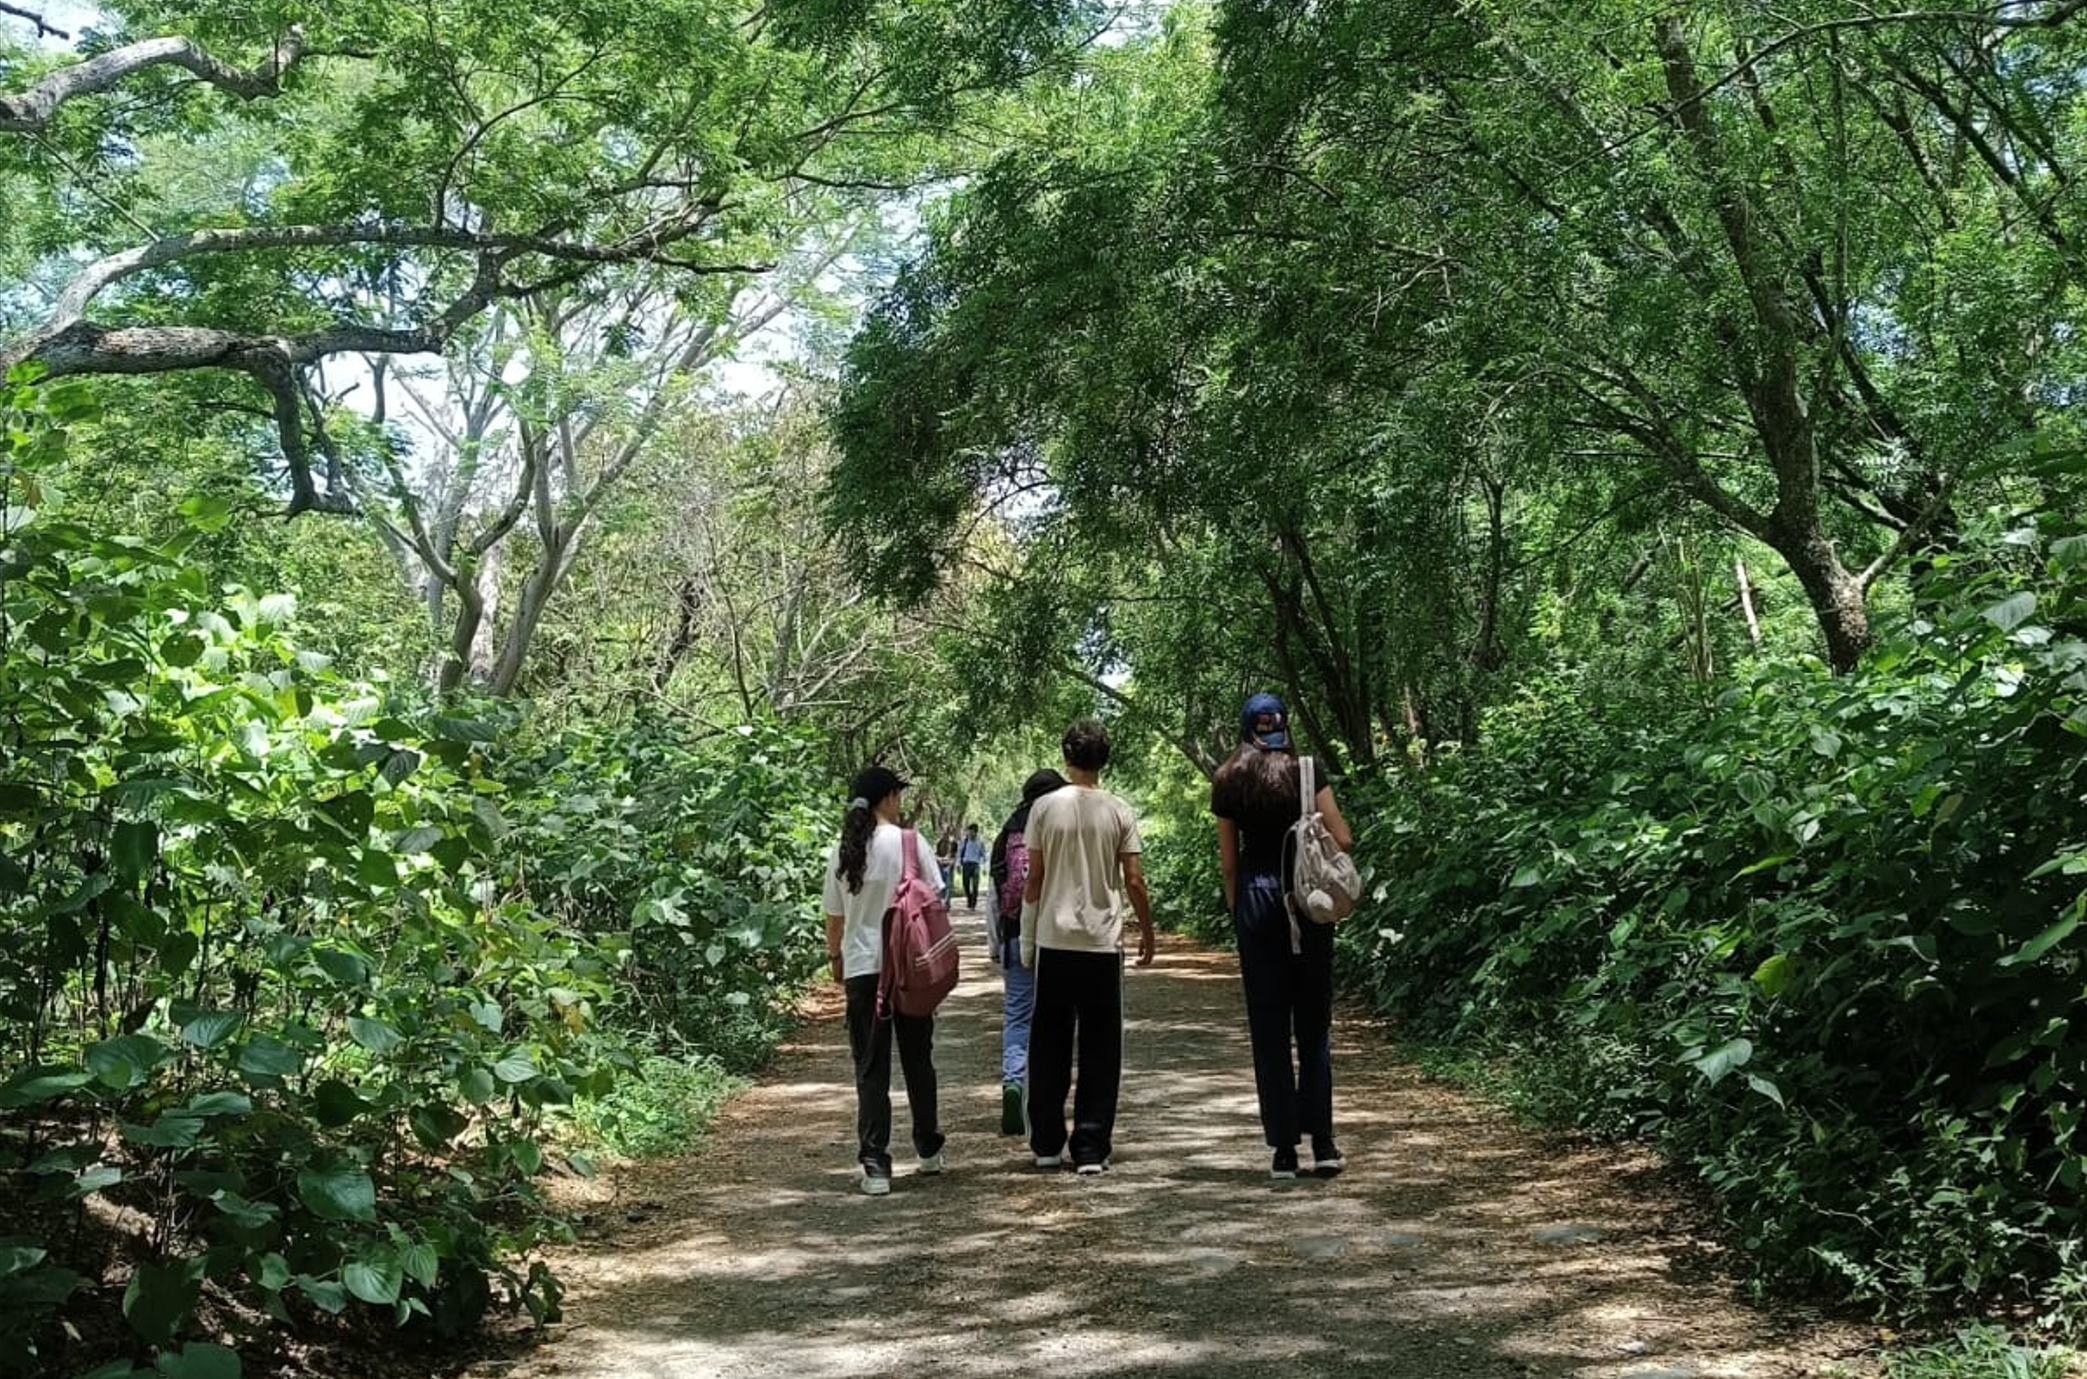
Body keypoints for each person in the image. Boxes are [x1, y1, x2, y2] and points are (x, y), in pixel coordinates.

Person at [1210, 692, 1355, 1180]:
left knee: (1269, 1029)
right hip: (1307, 902)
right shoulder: (1307, 772)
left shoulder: (1228, 778)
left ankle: (1284, 1152)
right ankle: (1325, 1144)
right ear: (1284, 727)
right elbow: (1345, 837)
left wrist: (1239, 912)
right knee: (1313, 1025)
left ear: (1245, 729)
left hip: (1256, 900)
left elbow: (1229, 863)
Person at [1021, 719, 1156, 1174]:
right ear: (1105, 758)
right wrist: (1148, 932)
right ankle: (1091, 1148)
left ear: (1066, 755)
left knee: (1048, 1041)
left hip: (1054, 940)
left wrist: (1026, 935)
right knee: (1101, 1046)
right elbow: (1134, 880)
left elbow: (1034, 879)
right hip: (1102, 943)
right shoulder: (1119, 810)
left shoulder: (1043, 809)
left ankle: (1045, 1143)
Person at [822, 765, 948, 1196]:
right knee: (918, 1060)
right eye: (898, 795)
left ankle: (876, 1165)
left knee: (871, 1069)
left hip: (862, 969)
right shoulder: (911, 842)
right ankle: (929, 1149)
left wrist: (835, 958)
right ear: (888, 797)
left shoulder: (842, 851)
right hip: (910, 969)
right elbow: (935, 898)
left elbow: (834, 919)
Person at [988, 770, 1066, 1135]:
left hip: (1015, 934)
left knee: (1017, 1015)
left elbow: (994, 894)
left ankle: (1013, 1083)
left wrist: (995, 945)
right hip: (1056, 936)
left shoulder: (1007, 830)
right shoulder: (1059, 824)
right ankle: (1045, 1102)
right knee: (1055, 1020)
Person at [957, 822, 987, 909]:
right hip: (966, 865)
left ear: (975, 832)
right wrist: (958, 864)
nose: (970, 834)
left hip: (975, 865)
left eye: (971, 832)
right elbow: (959, 853)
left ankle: (973, 904)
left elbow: (983, 855)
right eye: (968, 832)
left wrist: (984, 866)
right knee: (965, 884)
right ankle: (969, 899)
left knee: (975, 884)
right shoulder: (964, 841)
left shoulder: (980, 842)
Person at [935, 827, 958, 904]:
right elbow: (936, 854)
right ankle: (942, 900)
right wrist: (939, 859)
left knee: (949, 884)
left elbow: (955, 854)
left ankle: (947, 901)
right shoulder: (939, 842)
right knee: (941, 884)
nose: (945, 834)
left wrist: (952, 861)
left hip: (949, 865)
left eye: (946, 832)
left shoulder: (953, 843)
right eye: (943, 832)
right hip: (941, 865)